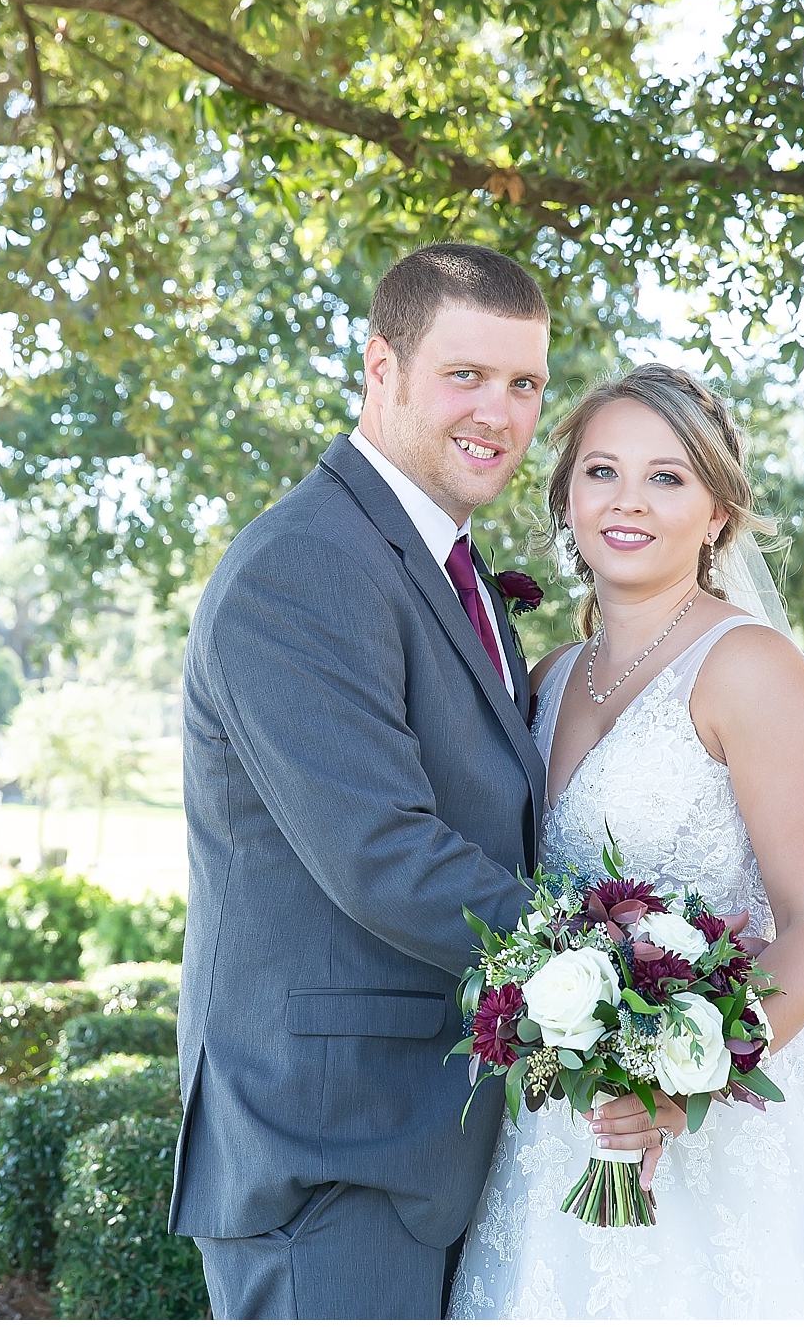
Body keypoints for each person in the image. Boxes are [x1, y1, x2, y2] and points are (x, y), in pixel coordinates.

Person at [169, 243, 669, 1319]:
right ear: (379, 367)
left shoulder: (441, 562)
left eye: (524, 383)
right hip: (330, 1146)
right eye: (464, 375)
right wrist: (624, 972)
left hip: (436, 1135)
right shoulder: (302, 564)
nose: (497, 411)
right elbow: (383, 853)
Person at [447, 364, 804, 1319]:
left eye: (668, 478)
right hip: (566, 1130)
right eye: (601, 472)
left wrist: (678, 1084)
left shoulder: (752, 670)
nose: (629, 502)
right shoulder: (546, 675)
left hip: (732, 1132)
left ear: (716, 514)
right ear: (566, 498)